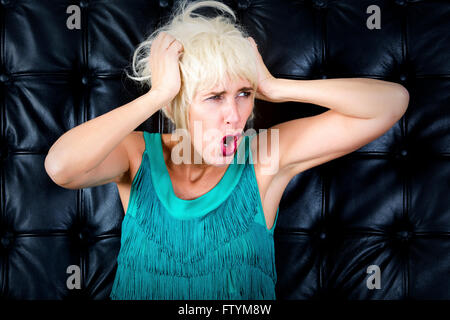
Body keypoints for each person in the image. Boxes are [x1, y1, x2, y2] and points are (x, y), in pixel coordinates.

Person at [44, 0, 409, 300]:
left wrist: (276, 87)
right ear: (178, 103)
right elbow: (61, 167)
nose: (235, 116)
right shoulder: (135, 154)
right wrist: (158, 96)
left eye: (244, 94)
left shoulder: (266, 158)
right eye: (215, 97)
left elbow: (391, 102)